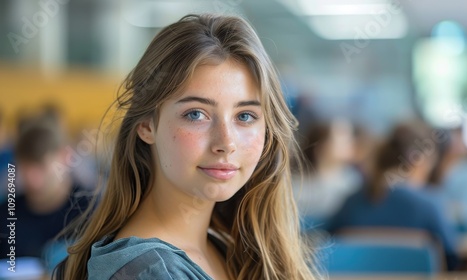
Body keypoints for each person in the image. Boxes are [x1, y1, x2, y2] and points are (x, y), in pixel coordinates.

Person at [55, 14, 317, 280]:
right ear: (147, 125)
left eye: (245, 116)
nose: (226, 143)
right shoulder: (150, 272)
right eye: (196, 114)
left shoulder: (224, 247)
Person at [325, 122, 459, 270]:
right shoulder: (430, 205)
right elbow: (451, 260)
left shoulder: (350, 204)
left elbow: (327, 248)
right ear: (420, 162)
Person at [0, 115, 89, 260]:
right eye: (26, 167)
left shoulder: (91, 211)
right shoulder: (6, 215)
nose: (33, 180)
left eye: (42, 167)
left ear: (65, 156)